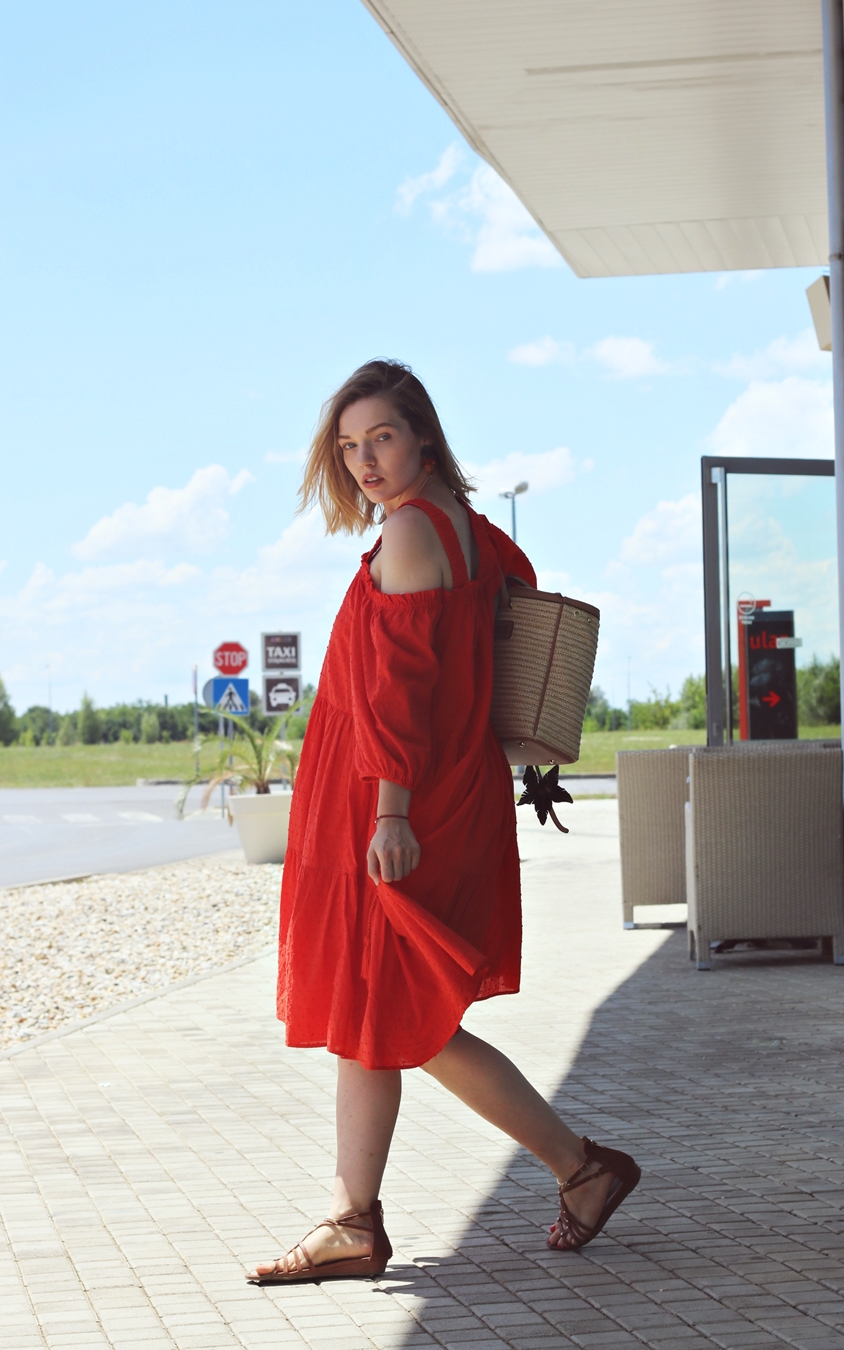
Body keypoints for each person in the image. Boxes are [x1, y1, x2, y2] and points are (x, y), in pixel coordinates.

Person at [248, 360, 639, 1285]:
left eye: (381, 437)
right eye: (350, 446)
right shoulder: (473, 530)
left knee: (403, 1016)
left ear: (422, 434)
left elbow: (402, 692)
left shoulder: (412, 533)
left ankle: (578, 1168)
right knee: (374, 1011)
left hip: (401, 801)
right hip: (450, 787)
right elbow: (509, 612)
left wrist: (389, 812)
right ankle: (355, 1218)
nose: (364, 461)